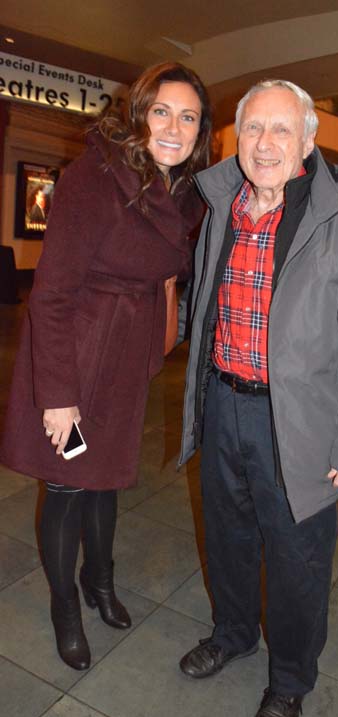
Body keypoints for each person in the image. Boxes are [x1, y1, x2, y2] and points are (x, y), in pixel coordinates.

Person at [177, 80, 338, 717]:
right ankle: (234, 635)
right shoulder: (221, 204)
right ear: (234, 140)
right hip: (224, 404)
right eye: (253, 130)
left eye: (281, 130)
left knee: (299, 561)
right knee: (229, 539)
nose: (265, 144)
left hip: (300, 422)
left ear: (308, 142)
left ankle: (290, 681)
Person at [0, 61, 211, 671]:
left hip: (125, 359)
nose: (174, 127)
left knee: (108, 478)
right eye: (162, 111)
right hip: (76, 355)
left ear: (202, 130)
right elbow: (53, 293)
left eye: (189, 116)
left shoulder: (182, 191)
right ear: (139, 112)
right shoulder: (94, 177)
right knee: (68, 486)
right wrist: (57, 395)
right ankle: (65, 604)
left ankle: (100, 582)